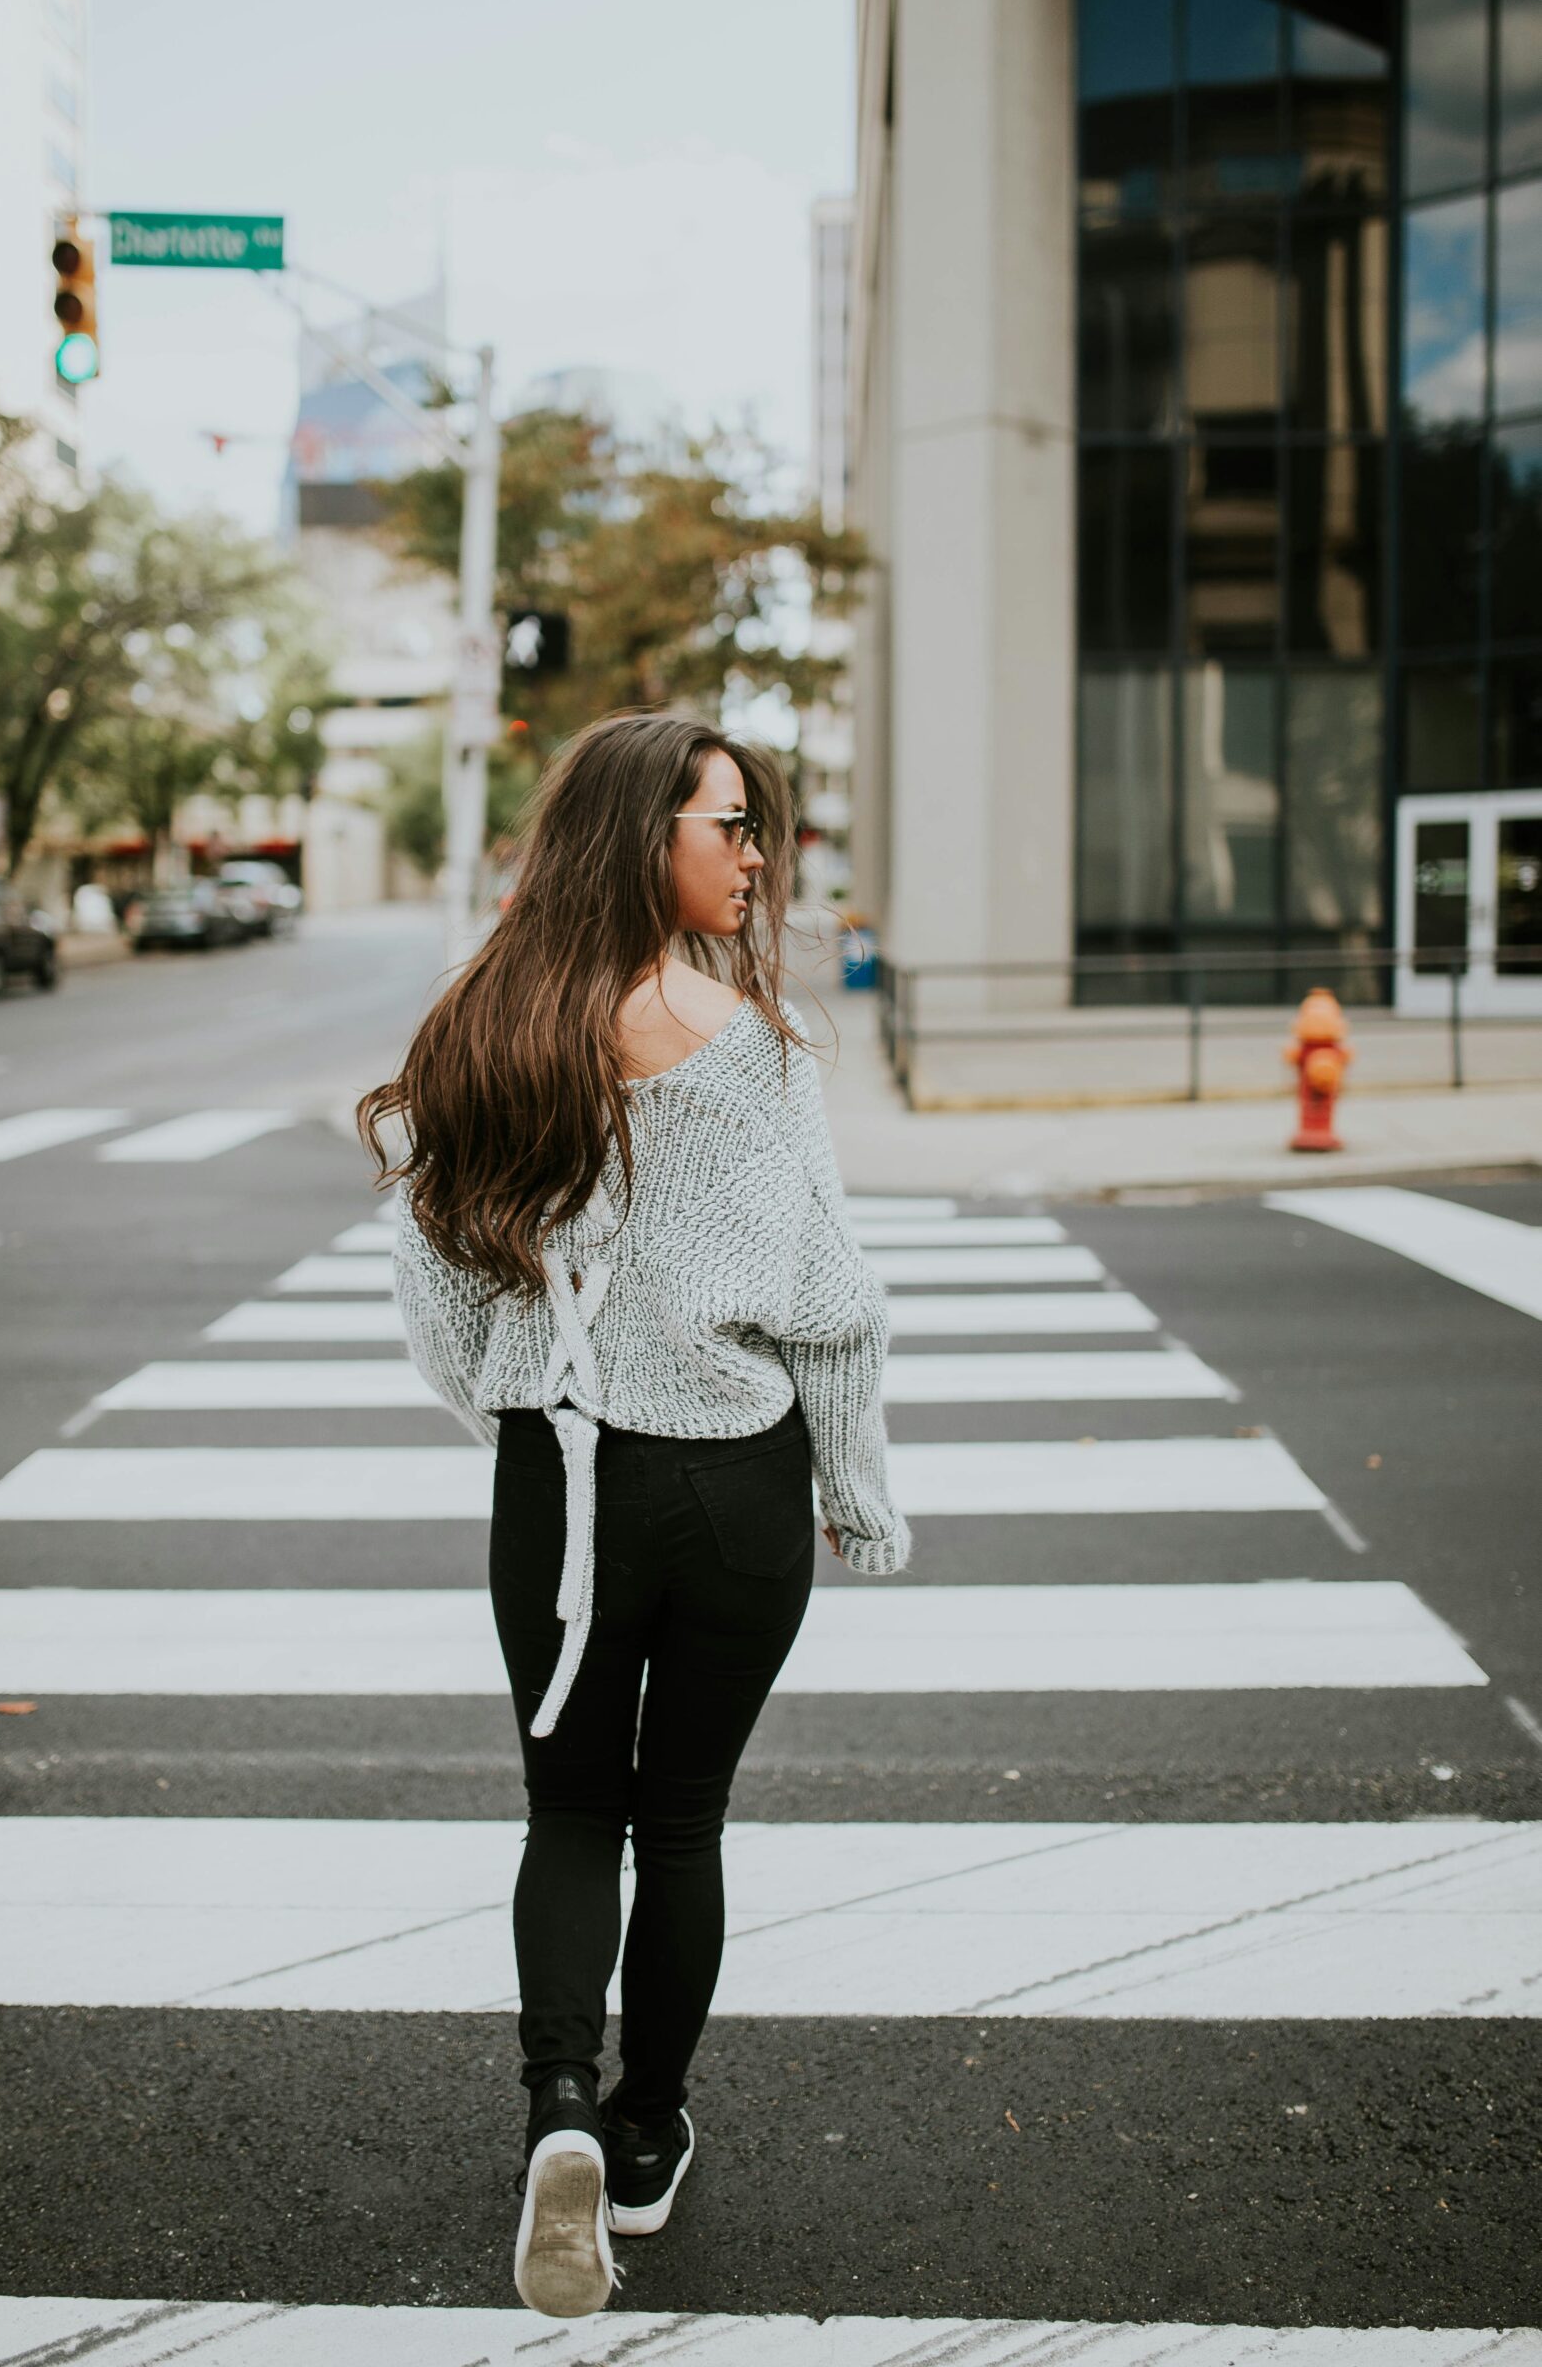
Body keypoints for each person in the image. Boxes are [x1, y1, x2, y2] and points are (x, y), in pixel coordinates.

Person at [359, 711, 907, 2319]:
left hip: (562, 1475)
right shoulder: (757, 1052)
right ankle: (650, 2139)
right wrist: (857, 1501)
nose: (752, 856)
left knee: (567, 1811)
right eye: (725, 825)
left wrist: (515, 1413)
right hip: (735, 1486)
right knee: (684, 1822)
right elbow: (833, 1310)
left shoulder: (489, 1027)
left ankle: (558, 2113)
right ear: (640, 835)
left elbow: (431, 1277)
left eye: (756, 828)